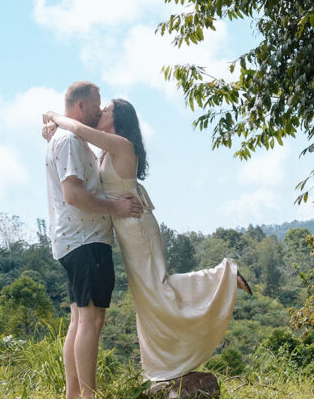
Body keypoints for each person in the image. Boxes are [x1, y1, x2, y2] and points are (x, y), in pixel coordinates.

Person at [44, 98, 252, 382]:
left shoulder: (120, 145)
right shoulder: (106, 148)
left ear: (118, 119)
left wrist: (53, 116)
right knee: (148, 296)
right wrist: (51, 131)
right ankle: (163, 364)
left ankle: (224, 276)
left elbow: (78, 128)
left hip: (136, 227)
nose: (101, 111)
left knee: (157, 289)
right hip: (128, 229)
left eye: (106, 110)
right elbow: (78, 145)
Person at [45, 81, 144, 399]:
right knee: (91, 319)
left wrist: (52, 119)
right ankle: (88, 398)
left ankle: (73, 396)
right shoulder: (71, 140)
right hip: (85, 239)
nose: (101, 110)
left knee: (79, 318)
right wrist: (114, 207)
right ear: (81, 107)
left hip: (76, 239)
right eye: (97, 105)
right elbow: (74, 194)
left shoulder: (71, 139)